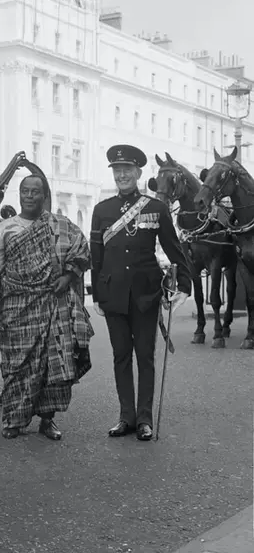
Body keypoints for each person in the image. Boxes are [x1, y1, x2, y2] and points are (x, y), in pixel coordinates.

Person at [0, 174, 94, 441]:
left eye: (35, 192)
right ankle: (14, 420)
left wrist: (67, 277)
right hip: (18, 307)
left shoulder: (61, 226)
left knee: (52, 366)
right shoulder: (5, 229)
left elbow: (82, 252)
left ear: (45, 196)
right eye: (25, 191)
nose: (29, 196)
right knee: (16, 365)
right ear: (19, 195)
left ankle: (47, 420)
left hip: (53, 305)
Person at [90, 144, 191, 442]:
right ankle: (126, 417)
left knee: (144, 357)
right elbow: (97, 255)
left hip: (146, 295)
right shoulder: (101, 210)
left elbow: (174, 249)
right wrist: (96, 294)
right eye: (117, 170)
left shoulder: (156, 208)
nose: (122, 175)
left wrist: (185, 283)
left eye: (127, 170)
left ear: (138, 173)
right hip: (113, 295)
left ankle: (144, 419)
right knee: (121, 356)